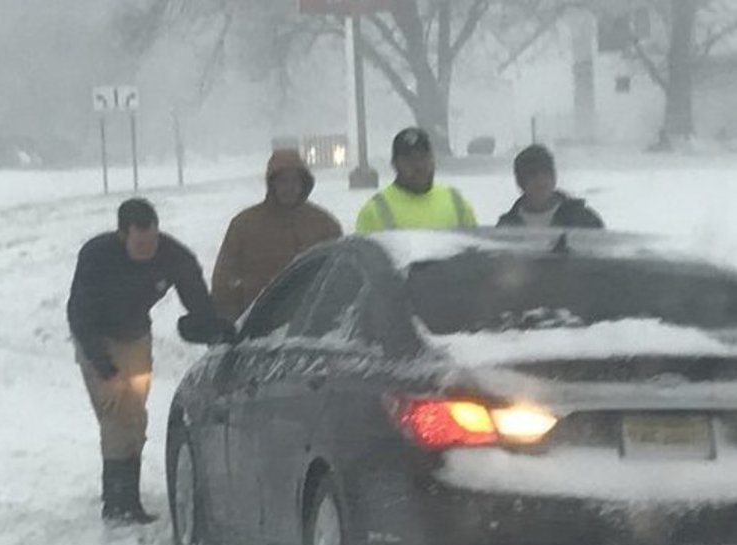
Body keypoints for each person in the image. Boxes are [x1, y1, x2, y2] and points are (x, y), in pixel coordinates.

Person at [67, 198, 231, 524]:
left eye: (152, 240)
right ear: (122, 235)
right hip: (96, 338)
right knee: (117, 413)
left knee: (135, 415)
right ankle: (118, 502)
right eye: (140, 243)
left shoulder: (174, 256)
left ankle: (127, 490)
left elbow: (198, 301)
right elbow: (80, 315)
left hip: (136, 337)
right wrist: (106, 370)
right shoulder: (96, 257)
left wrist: (216, 331)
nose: (147, 249)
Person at [211, 149, 343, 322]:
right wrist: (226, 326)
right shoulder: (244, 225)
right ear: (271, 183)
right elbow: (224, 284)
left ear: (304, 183)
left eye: (295, 181)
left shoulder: (324, 225)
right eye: (283, 181)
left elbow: (342, 277)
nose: (289, 187)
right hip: (257, 327)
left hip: (313, 327)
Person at [355, 127, 477, 233]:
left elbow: (476, 250)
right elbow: (363, 258)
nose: (419, 166)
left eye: (424, 158)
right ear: (394, 164)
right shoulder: (374, 211)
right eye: (410, 160)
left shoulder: (456, 201)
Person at [496, 144, 604, 228]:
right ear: (520, 181)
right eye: (532, 175)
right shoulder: (506, 226)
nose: (542, 181)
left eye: (547, 173)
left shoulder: (584, 220)